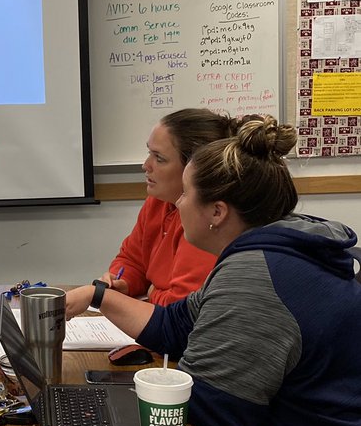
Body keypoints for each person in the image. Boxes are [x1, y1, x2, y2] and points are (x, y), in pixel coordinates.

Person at [85, 115, 361, 426]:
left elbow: (221, 409)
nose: (176, 206)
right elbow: (174, 327)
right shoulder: (264, 251)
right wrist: (99, 296)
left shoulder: (258, 275)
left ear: (217, 212)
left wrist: (104, 406)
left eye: (188, 194)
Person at [65, 108, 239, 319]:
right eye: (149, 153)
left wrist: (151, 292)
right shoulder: (158, 202)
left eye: (159, 158)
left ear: (195, 168)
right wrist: (124, 282)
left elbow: (181, 306)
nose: (145, 165)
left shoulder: (207, 220)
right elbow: (131, 259)